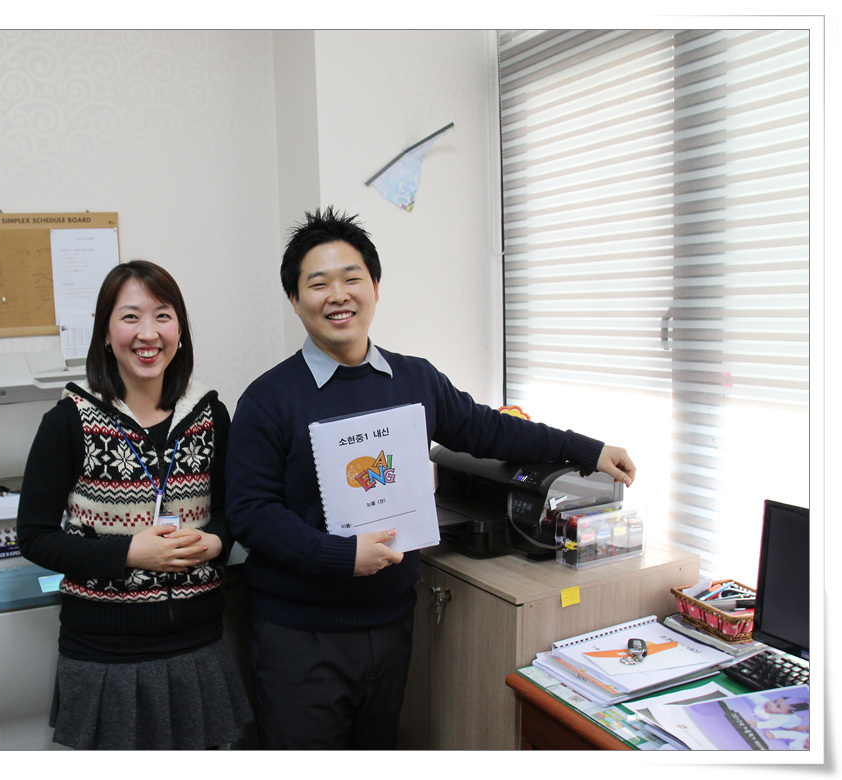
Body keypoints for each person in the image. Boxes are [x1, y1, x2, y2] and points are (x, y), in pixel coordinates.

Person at [225, 207, 636, 750]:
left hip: (392, 620)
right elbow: (250, 513)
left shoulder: (415, 379)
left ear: (375, 288)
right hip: (300, 635)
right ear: (295, 300)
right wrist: (339, 555)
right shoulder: (268, 398)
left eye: (352, 278)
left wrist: (587, 450)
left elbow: (491, 431)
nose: (338, 295)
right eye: (318, 284)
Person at [17, 260, 252, 750]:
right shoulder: (68, 422)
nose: (148, 333)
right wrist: (128, 553)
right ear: (106, 334)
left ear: (180, 331)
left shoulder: (210, 415)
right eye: (130, 317)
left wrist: (215, 541)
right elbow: (35, 537)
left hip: (198, 645)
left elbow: (235, 511)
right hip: (103, 653)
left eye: (163, 315)